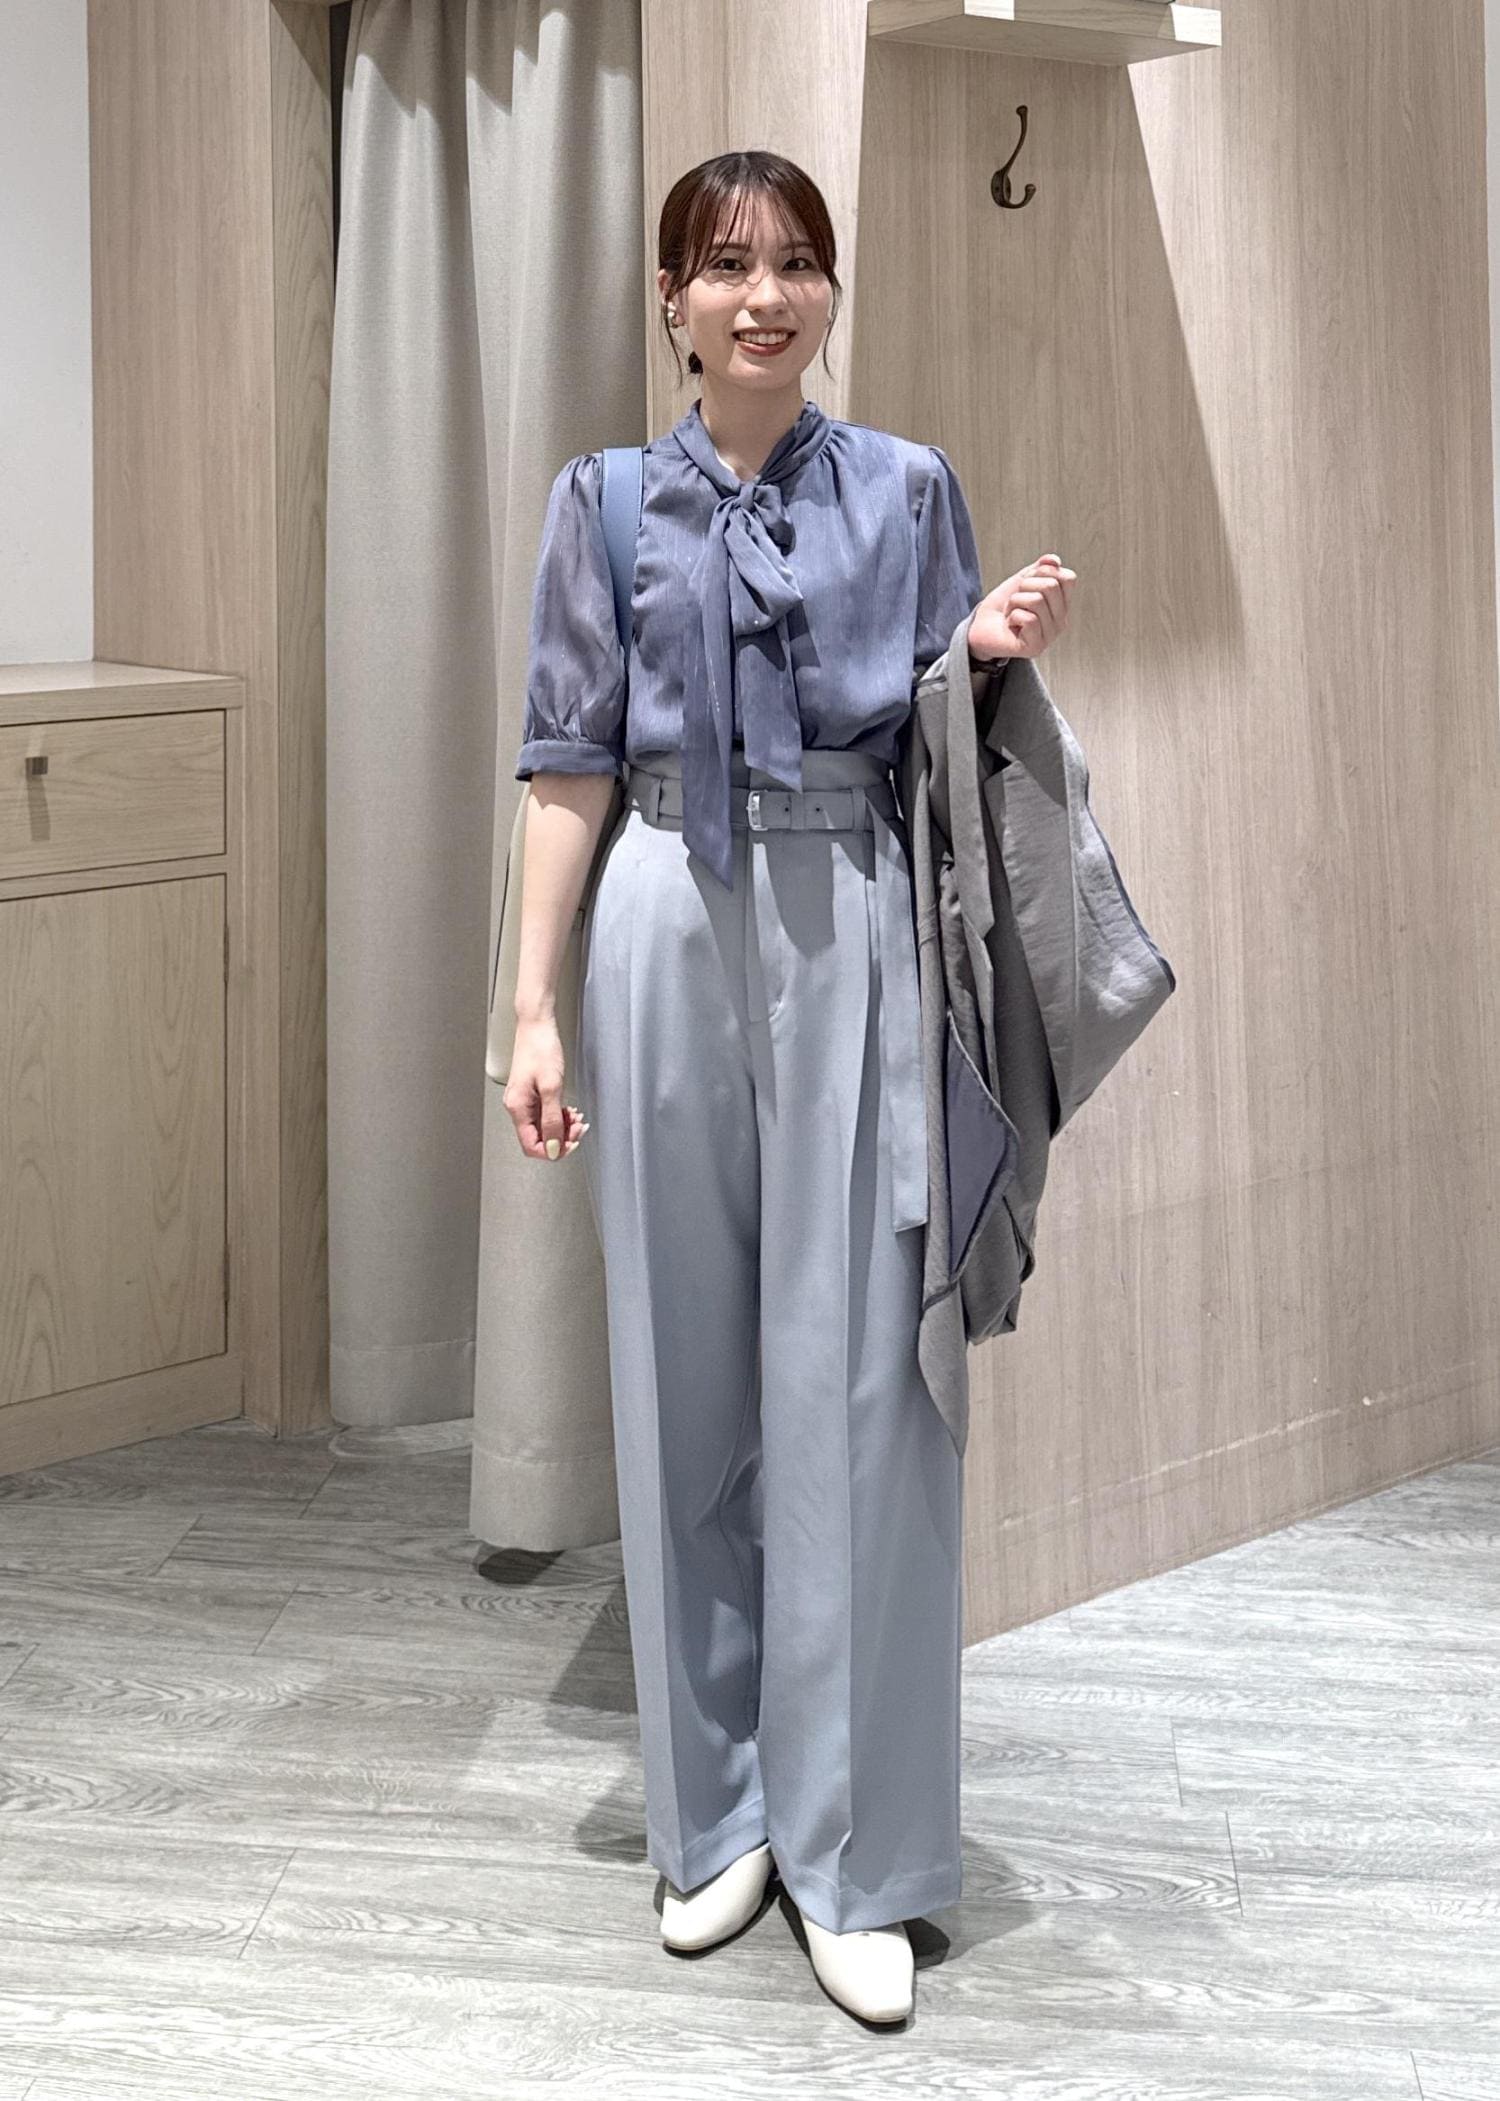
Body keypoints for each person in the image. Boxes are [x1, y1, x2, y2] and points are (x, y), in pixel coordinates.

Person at [502, 149, 1072, 2026]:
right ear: (670, 296)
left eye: (797, 262)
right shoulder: (599, 504)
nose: (766, 295)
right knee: (681, 1375)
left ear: (830, 290)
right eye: (727, 264)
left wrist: (974, 654)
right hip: (666, 914)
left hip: (850, 922)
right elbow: (570, 766)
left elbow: (939, 745)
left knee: (862, 1386)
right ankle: (718, 1811)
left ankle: (857, 1847)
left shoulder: (905, 488)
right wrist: (533, 1007)